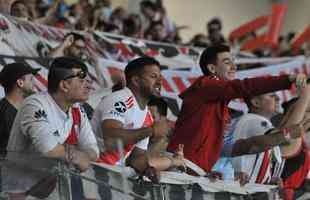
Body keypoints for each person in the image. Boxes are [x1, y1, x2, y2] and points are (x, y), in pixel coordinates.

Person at [168, 44, 308, 173]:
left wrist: (214, 172)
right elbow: (243, 86)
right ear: (212, 69)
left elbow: (227, 148)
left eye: (234, 62)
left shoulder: (218, 102)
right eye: (227, 62)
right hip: (182, 165)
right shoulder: (205, 85)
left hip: (193, 168)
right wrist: (287, 80)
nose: (234, 67)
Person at [4, 57, 99, 200]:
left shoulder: (76, 109)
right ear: (64, 85)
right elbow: (48, 148)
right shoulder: (35, 104)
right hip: (17, 192)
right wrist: (77, 155)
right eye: (81, 80)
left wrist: (81, 155)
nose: (89, 86)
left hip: (45, 188)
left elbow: (93, 150)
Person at [0, 62, 39, 156]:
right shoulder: (3, 113)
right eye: (31, 79)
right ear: (20, 82)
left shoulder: (27, 109)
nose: (35, 82)